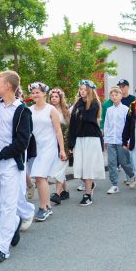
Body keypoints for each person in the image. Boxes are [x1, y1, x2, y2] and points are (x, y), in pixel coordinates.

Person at [0, 71, 33, 263]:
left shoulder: (22, 111)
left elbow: (22, 143)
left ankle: (1, 248)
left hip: (9, 162)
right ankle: (14, 223)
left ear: (8, 86)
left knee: (9, 206)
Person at [27, 82, 66, 221]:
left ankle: (43, 208)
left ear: (44, 93)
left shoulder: (51, 109)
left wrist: (62, 150)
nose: (35, 94)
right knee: (40, 178)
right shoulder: (29, 110)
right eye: (33, 93)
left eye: (37, 92)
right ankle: (47, 206)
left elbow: (58, 131)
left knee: (39, 176)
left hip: (49, 146)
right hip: (35, 148)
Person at [68, 80, 104, 206]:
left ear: (89, 91)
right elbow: (72, 125)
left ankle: (87, 195)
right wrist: (70, 143)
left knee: (88, 167)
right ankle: (90, 184)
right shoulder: (78, 104)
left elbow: (88, 117)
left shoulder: (94, 103)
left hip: (91, 138)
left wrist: (79, 107)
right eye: (81, 89)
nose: (82, 91)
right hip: (79, 139)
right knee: (79, 168)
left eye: (85, 89)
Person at [104, 86, 135, 193]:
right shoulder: (109, 110)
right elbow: (107, 125)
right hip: (111, 140)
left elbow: (129, 126)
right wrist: (106, 139)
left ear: (121, 96)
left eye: (116, 95)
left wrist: (128, 140)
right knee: (111, 162)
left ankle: (132, 175)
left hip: (122, 140)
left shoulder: (126, 109)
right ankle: (114, 184)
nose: (114, 97)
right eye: (112, 95)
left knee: (124, 162)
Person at [48, 88, 71, 204]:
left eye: (56, 97)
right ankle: (65, 191)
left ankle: (57, 194)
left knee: (60, 168)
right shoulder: (48, 110)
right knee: (58, 168)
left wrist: (71, 145)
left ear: (60, 98)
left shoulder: (66, 111)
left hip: (65, 142)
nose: (54, 99)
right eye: (52, 97)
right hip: (52, 142)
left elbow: (70, 128)